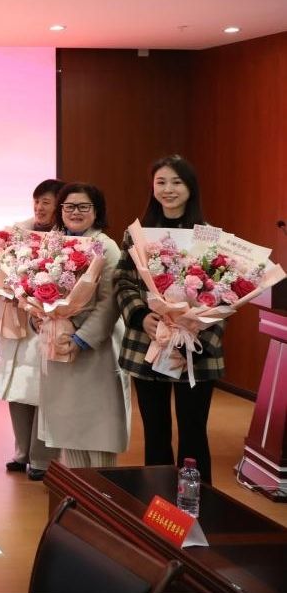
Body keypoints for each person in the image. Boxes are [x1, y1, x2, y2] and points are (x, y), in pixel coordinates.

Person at [115, 155, 224, 482]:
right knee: (155, 432)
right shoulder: (137, 233)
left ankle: (196, 500)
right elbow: (123, 280)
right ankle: (157, 499)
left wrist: (194, 334)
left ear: (190, 188)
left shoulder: (210, 236)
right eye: (161, 182)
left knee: (194, 432)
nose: (168, 189)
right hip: (148, 342)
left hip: (195, 347)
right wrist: (140, 316)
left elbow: (224, 291)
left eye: (177, 182)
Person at [37, 182, 128, 468]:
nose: (75, 212)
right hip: (58, 344)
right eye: (69, 206)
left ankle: (102, 490)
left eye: (83, 206)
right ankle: (77, 488)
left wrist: (81, 338)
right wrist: (39, 315)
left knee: (97, 428)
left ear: (96, 211)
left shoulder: (106, 247)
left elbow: (110, 302)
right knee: (67, 425)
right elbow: (35, 288)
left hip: (95, 351)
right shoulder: (52, 244)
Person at [0, 179, 64, 480]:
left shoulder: (67, 240)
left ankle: (42, 458)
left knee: (43, 390)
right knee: (18, 387)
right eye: (37, 201)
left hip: (48, 324)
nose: (40, 207)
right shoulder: (17, 233)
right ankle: (22, 451)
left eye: (46, 201)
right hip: (18, 321)